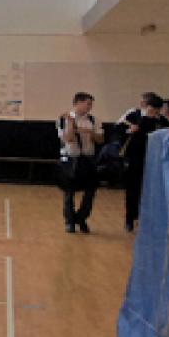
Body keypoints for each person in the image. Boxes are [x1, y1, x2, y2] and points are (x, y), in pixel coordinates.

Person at [118, 92, 167, 232]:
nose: (154, 112)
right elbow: (118, 130)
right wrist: (130, 129)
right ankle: (130, 218)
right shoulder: (133, 115)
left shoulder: (162, 121)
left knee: (151, 191)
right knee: (133, 189)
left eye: (157, 110)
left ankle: (146, 219)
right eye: (151, 108)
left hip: (154, 159)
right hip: (134, 158)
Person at [57, 91, 105, 234]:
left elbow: (100, 139)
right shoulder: (64, 119)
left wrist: (90, 132)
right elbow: (68, 138)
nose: (90, 107)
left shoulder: (94, 120)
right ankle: (69, 221)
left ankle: (81, 218)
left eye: (91, 104)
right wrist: (72, 124)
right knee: (69, 191)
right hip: (71, 158)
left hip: (88, 158)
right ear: (77, 103)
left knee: (90, 190)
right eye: (87, 104)